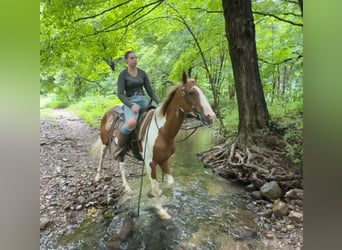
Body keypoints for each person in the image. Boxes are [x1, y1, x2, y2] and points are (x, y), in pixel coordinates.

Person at [114, 50, 160, 160]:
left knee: (157, 119)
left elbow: (151, 92)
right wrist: (130, 105)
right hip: (131, 102)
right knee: (131, 123)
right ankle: (120, 148)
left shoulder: (142, 73)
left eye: (136, 57)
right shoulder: (123, 75)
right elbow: (120, 94)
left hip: (144, 101)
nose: (135, 60)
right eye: (132, 58)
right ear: (126, 61)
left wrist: (160, 103)